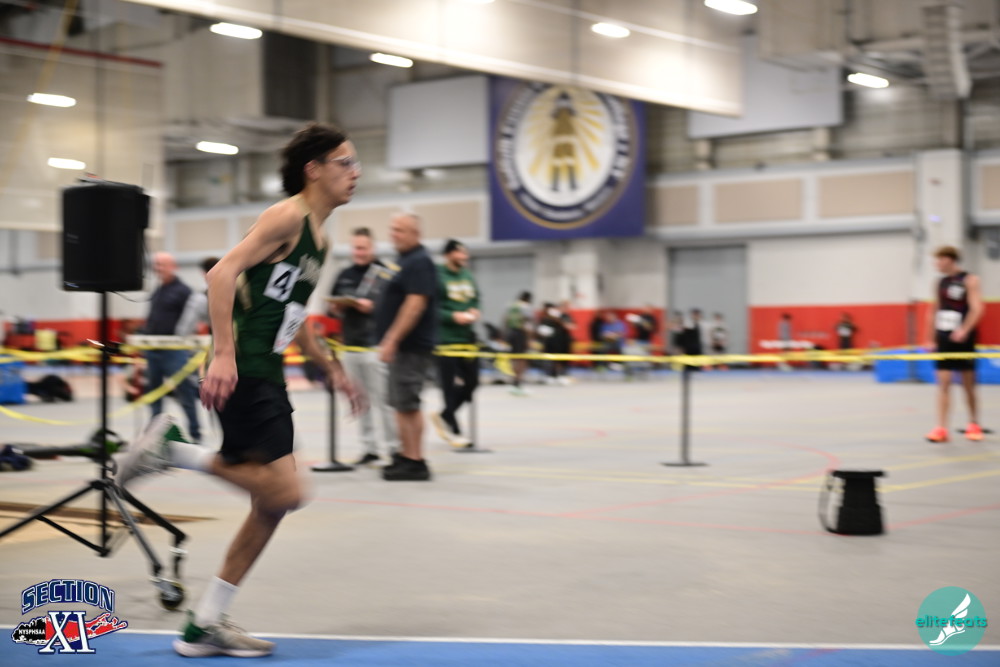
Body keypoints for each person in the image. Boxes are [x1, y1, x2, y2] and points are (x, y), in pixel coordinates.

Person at [116, 123, 364, 658]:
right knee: (287, 493)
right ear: (313, 169)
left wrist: (332, 369)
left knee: (270, 506)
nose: (355, 172)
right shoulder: (286, 217)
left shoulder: (320, 239)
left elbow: (295, 314)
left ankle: (205, 623)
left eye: (355, 162)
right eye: (345, 162)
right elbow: (221, 274)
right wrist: (224, 353)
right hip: (245, 370)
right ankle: (173, 451)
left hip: (267, 371)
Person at [329, 227, 400, 465]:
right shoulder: (344, 274)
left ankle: (394, 449)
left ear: (373, 248)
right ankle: (369, 449)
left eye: (363, 248)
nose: (358, 252)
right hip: (350, 346)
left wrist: (374, 307)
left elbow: (397, 308)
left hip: (376, 347)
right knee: (361, 401)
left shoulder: (386, 274)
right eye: (355, 248)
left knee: (385, 400)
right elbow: (332, 306)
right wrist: (337, 307)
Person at [376, 213, 438, 481]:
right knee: (401, 404)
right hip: (403, 347)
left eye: (400, 230)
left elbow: (415, 304)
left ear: (415, 233)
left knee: (408, 403)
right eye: (392, 229)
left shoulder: (419, 261)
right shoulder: (402, 261)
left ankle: (415, 460)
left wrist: (392, 339)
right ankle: (406, 455)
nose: (394, 234)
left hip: (411, 346)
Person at [924, 246, 984, 443]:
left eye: (939, 260)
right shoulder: (939, 282)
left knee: (968, 384)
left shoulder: (970, 280)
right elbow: (933, 310)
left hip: (964, 339)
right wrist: (930, 338)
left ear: (950, 260)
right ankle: (941, 428)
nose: (937, 264)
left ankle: (973, 424)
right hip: (944, 338)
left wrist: (965, 329)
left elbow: (977, 308)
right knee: (943, 383)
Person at [143, 252, 201, 442]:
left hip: (174, 352)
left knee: (185, 393)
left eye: (162, 265)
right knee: (154, 395)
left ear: (173, 266)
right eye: (156, 265)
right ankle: (154, 435)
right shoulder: (158, 291)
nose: (158, 269)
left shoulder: (184, 291)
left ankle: (195, 433)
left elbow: (193, 319)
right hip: (153, 352)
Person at [432, 239, 480, 447]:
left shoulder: (467, 275)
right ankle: (454, 428)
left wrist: (475, 310)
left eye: (465, 253)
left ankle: (445, 415)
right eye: (460, 253)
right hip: (446, 339)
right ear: (448, 255)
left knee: (472, 383)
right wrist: (452, 316)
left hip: (467, 339)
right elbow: (431, 307)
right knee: (449, 386)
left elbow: (475, 298)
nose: (464, 257)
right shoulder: (438, 276)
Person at [175, 256, 220, 337]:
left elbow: (185, 328)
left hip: (213, 339)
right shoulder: (233, 292)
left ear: (203, 273)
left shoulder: (200, 299)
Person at [503, 291, 534, 395]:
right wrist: (529, 338)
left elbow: (505, 319)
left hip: (511, 333)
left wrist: (505, 335)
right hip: (521, 333)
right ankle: (517, 382)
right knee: (522, 358)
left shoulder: (511, 306)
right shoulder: (526, 306)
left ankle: (513, 381)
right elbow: (526, 322)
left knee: (514, 358)